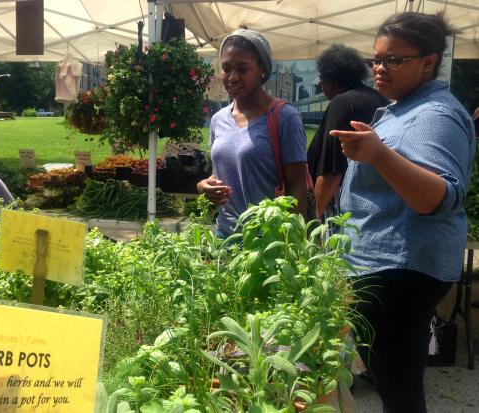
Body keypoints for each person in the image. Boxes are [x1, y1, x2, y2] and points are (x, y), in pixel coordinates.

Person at [329, 12, 475, 413]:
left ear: (428, 62)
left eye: (394, 60)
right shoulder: (406, 107)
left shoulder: (436, 116)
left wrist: (378, 153)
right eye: (375, 59)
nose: (380, 67)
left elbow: (438, 197)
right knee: (393, 382)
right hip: (387, 264)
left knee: (399, 388)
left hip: (400, 269)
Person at [197, 28, 308, 238]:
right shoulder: (219, 119)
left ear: (262, 70)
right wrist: (204, 186)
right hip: (226, 236)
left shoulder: (285, 117)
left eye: (242, 69)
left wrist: (292, 243)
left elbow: (297, 188)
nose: (232, 77)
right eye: (226, 68)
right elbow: (223, 171)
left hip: (268, 241)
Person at [307, 44, 388, 219]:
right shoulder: (378, 99)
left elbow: (331, 171)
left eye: (322, 77)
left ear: (332, 79)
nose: (320, 82)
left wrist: (312, 221)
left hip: (340, 211)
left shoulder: (341, 103)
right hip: (372, 207)